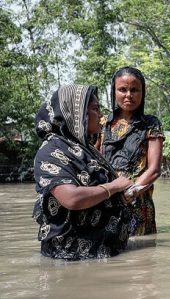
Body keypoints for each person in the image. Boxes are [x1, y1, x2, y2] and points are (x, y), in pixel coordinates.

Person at [32, 84, 137, 260]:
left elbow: (97, 192)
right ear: (76, 114)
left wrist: (122, 195)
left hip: (102, 253)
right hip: (72, 259)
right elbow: (72, 198)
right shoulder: (51, 151)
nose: (102, 117)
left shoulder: (84, 149)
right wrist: (114, 186)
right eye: (95, 109)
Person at [97, 67, 164, 236]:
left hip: (137, 200)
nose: (128, 95)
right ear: (114, 92)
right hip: (107, 198)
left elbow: (154, 169)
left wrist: (130, 192)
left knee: (140, 255)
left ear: (142, 93)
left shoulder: (150, 124)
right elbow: (94, 160)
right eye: (122, 89)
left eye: (134, 90)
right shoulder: (102, 123)